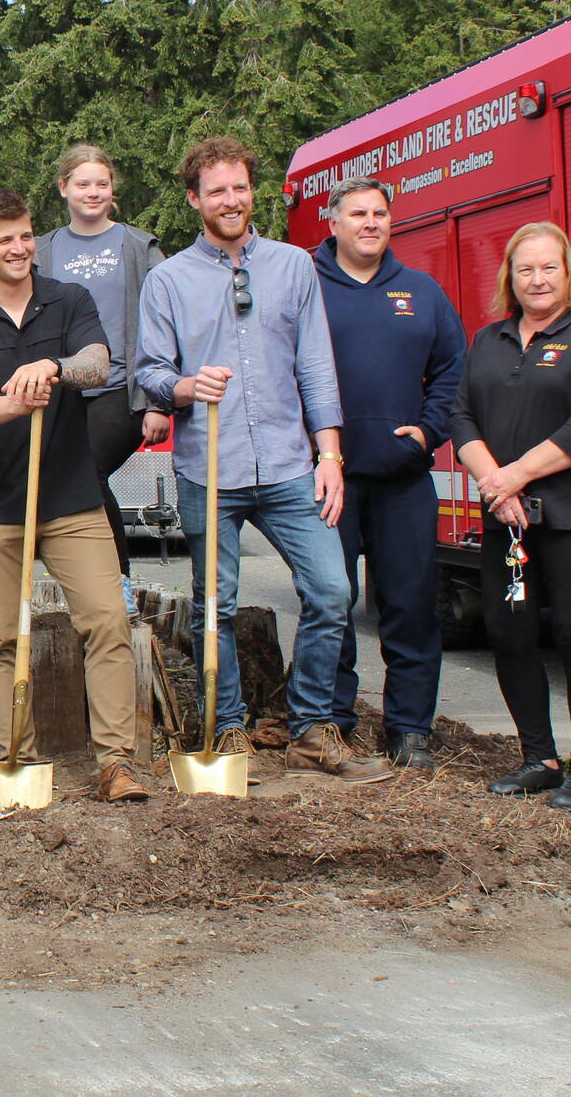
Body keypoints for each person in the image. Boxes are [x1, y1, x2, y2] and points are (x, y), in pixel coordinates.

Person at [135, 136, 391, 782]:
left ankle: (309, 725)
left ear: (253, 193)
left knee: (332, 590)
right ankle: (228, 729)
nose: (230, 200)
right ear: (195, 199)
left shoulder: (293, 267)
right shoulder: (168, 280)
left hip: (285, 463)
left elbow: (315, 365)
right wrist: (190, 388)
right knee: (213, 602)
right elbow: (151, 371)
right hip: (209, 466)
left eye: (239, 187)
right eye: (216, 190)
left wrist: (328, 453)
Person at [0, 190, 149, 801]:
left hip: (72, 497)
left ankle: (116, 761)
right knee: (2, 634)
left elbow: (99, 365)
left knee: (107, 623)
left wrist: (51, 367)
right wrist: (15, 403)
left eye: (25, 235)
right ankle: (18, 758)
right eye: (4, 239)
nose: (20, 247)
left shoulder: (68, 299)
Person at [449, 222, 571, 811]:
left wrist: (515, 475)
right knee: (509, 632)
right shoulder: (489, 340)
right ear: (510, 278)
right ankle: (539, 759)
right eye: (525, 269)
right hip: (508, 520)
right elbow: (461, 418)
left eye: (548, 267)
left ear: (567, 272)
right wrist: (494, 486)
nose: (538, 279)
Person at [313, 176, 464, 769]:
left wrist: (428, 431)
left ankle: (408, 730)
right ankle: (334, 723)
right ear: (333, 223)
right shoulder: (307, 288)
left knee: (410, 606)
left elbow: (454, 370)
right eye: (358, 214)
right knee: (332, 603)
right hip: (330, 481)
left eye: (380, 213)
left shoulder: (421, 292)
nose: (371, 223)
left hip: (404, 478)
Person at [37, 145, 169, 599]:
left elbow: (167, 324)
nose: (92, 192)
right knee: (64, 478)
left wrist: (157, 403)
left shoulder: (139, 247)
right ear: (63, 189)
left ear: (112, 190)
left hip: (122, 389)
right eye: (82, 184)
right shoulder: (43, 251)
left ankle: (119, 582)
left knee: (87, 471)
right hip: (63, 387)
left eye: (101, 183)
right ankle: (84, 583)